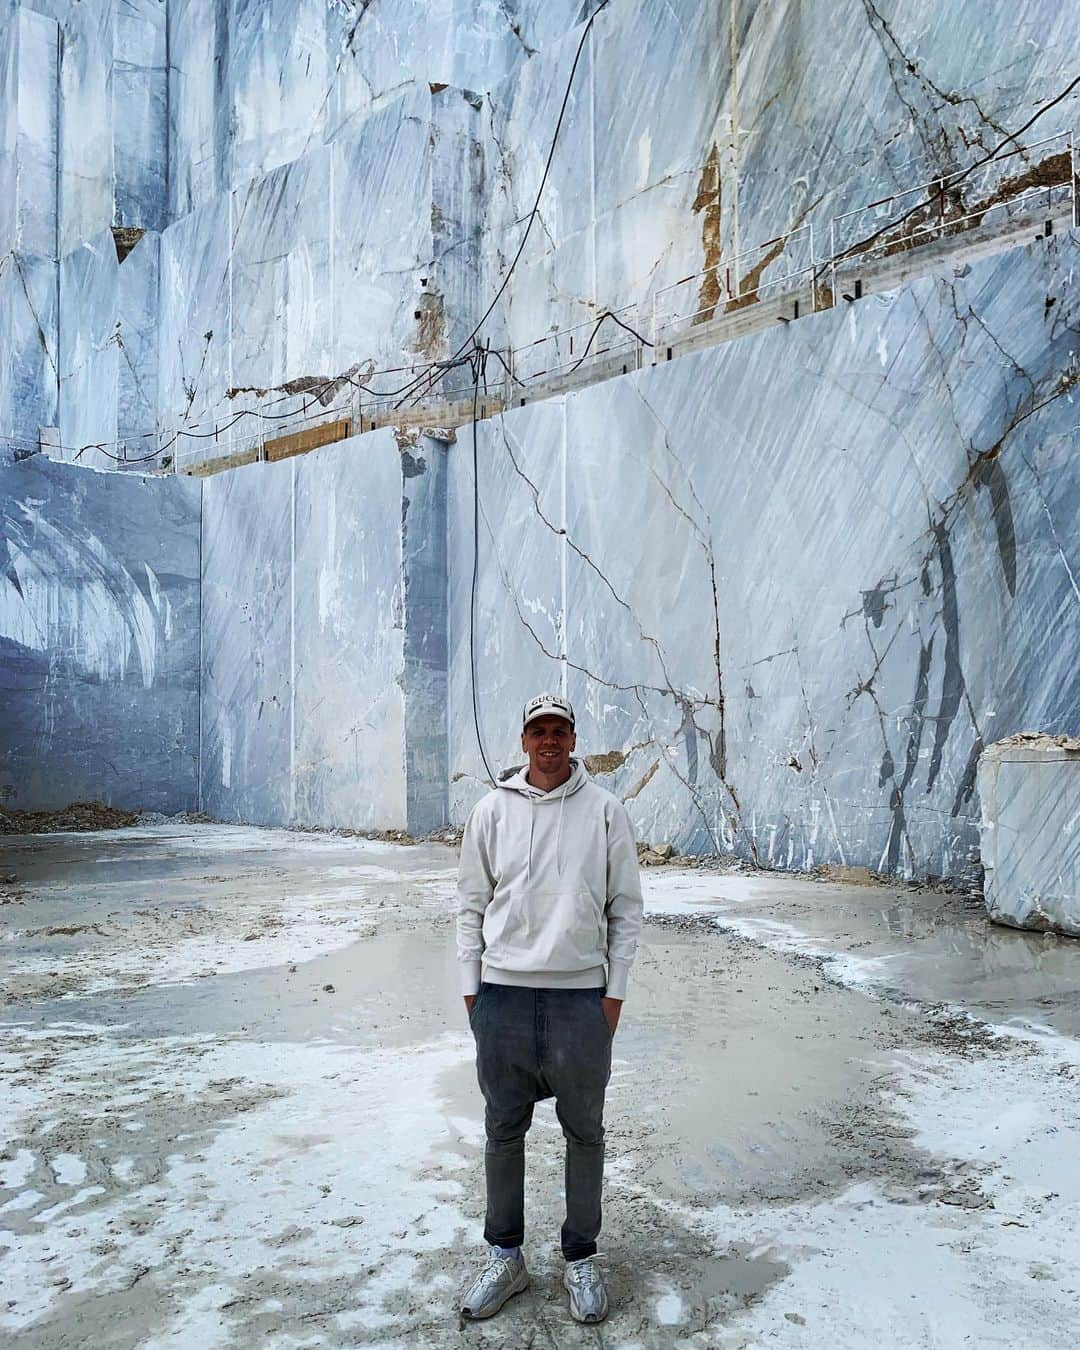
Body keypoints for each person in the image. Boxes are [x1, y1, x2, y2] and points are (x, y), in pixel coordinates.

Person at [456, 691, 644, 1324]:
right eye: (538, 731)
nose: (549, 742)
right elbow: (469, 904)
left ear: (573, 739)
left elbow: (626, 908)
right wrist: (471, 989)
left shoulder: (606, 812)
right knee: (503, 1131)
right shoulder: (491, 812)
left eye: (559, 731)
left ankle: (580, 1257)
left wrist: (612, 994)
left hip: (579, 1001)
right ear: (523, 739)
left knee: (584, 1133)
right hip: (503, 996)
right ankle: (505, 1256)